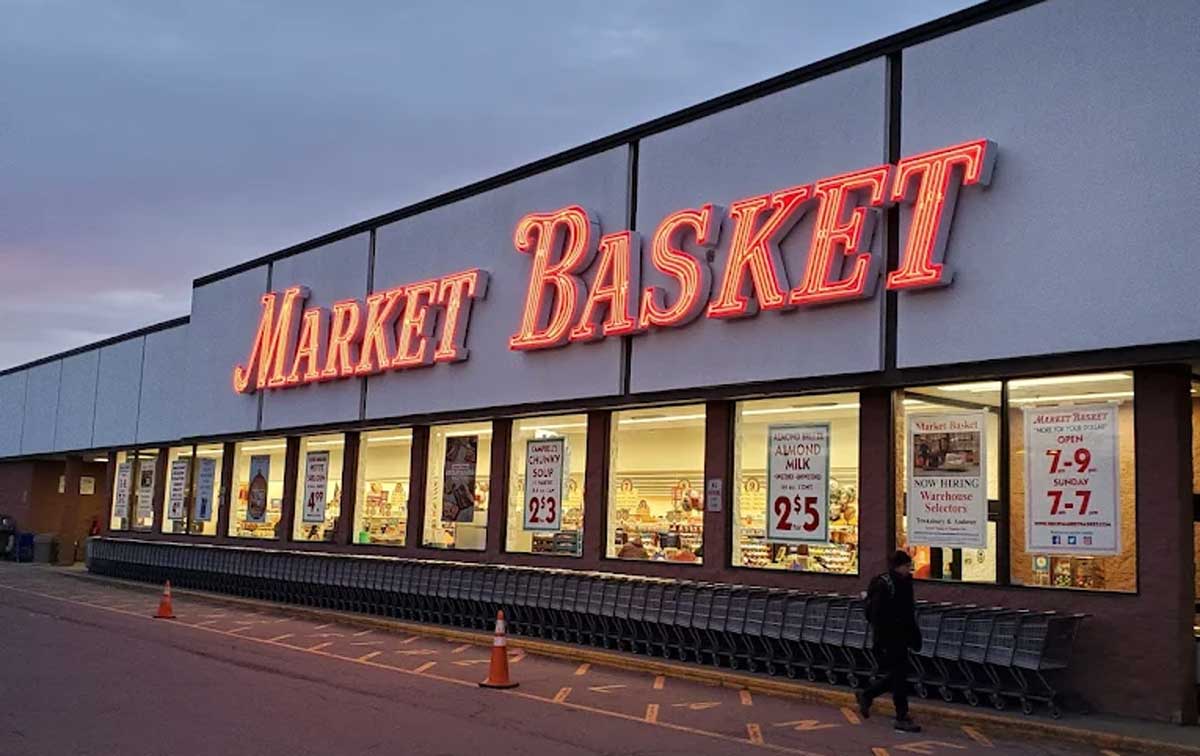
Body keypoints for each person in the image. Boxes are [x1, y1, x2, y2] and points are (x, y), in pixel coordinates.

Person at [857, 549, 923, 733]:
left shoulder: (904, 583)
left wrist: (913, 635)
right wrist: (882, 638)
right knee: (900, 675)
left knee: (899, 674)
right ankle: (901, 716)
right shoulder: (885, 584)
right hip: (889, 637)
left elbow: (908, 612)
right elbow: (877, 615)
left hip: (900, 636)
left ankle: (868, 695)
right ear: (899, 566)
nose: (910, 570)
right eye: (907, 566)